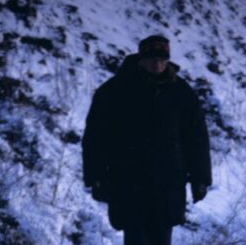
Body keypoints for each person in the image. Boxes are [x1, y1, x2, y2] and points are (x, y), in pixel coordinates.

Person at [82, 34, 212, 245]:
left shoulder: (181, 92)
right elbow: (96, 137)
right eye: (153, 59)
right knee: (136, 237)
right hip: (128, 181)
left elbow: (196, 138)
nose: (158, 64)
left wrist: (201, 178)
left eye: (162, 59)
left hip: (168, 182)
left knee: (162, 237)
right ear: (141, 58)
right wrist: (96, 175)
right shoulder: (115, 91)